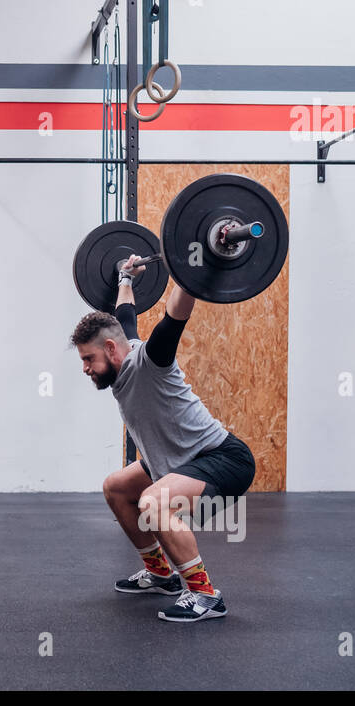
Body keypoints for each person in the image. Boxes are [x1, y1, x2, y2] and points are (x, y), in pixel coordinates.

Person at [71, 255, 254, 623]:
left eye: (89, 359)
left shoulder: (150, 360)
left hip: (222, 459)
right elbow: (124, 315)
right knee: (117, 487)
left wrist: (190, 274)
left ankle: (205, 595)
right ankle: (160, 573)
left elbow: (174, 316)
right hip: (174, 462)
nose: (85, 368)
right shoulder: (122, 347)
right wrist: (125, 276)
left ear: (110, 349)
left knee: (154, 502)